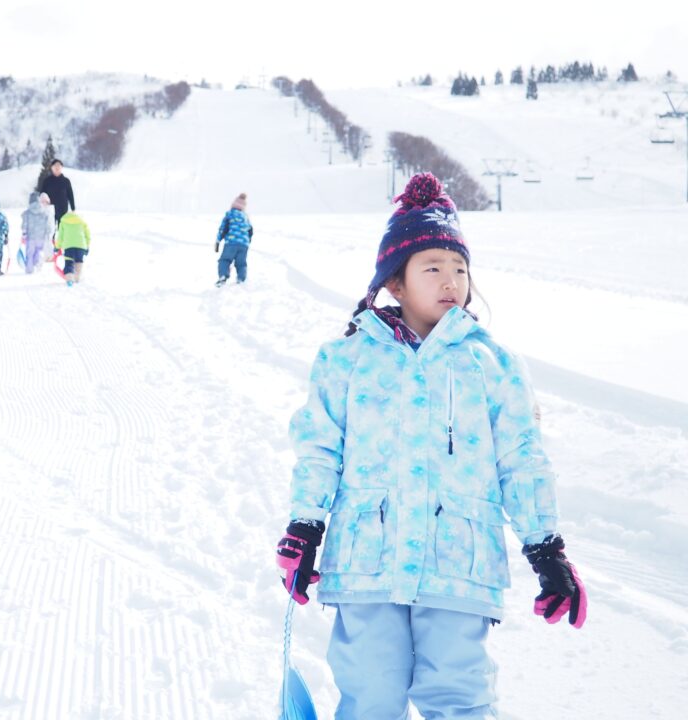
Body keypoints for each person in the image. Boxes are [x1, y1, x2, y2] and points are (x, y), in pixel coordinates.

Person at [275, 173, 587, 719]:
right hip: (366, 563)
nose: (451, 281)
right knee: (371, 696)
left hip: (458, 565)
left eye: (460, 268)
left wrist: (546, 549)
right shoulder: (346, 359)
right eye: (433, 267)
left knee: (460, 697)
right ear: (395, 283)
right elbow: (320, 450)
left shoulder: (492, 364)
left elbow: (521, 460)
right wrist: (306, 526)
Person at [214, 192, 253, 287]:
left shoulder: (230, 214)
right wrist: (247, 242)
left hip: (231, 243)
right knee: (241, 263)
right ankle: (241, 279)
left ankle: (223, 277)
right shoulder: (245, 217)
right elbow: (250, 231)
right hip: (244, 244)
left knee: (225, 260)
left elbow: (223, 228)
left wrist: (218, 240)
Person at [21, 192, 55, 274]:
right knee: (37, 251)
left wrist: (24, 234)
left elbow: (24, 225)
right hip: (41, 238)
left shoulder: (27, 213)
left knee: (30, 254)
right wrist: (48, 234)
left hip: (31, 238)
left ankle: (29, 269)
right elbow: (48, 225)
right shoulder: (44, 211)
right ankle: (36, 263)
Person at [55, 211, 90, 286]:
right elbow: (88, 236)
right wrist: (87, 246)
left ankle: (69, 279)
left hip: (68, 246)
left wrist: (57, 247)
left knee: (69, 262)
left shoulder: (63, 222)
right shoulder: (82, 222)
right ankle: (77, 278)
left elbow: (60, 236)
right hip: (81, 246)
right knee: (79, 261)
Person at [39, 159, 75, 225]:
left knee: (62, 227)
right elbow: (42, 194)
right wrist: (42, 205)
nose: (57, 167)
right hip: (50, 209)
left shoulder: (66, 181)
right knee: (50, 228)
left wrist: (73, 208)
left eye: (59, 165)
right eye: (55, 165)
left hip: (63, 209)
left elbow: (70, 195)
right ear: (51, 167)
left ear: (62, 167)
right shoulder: (47, 181)